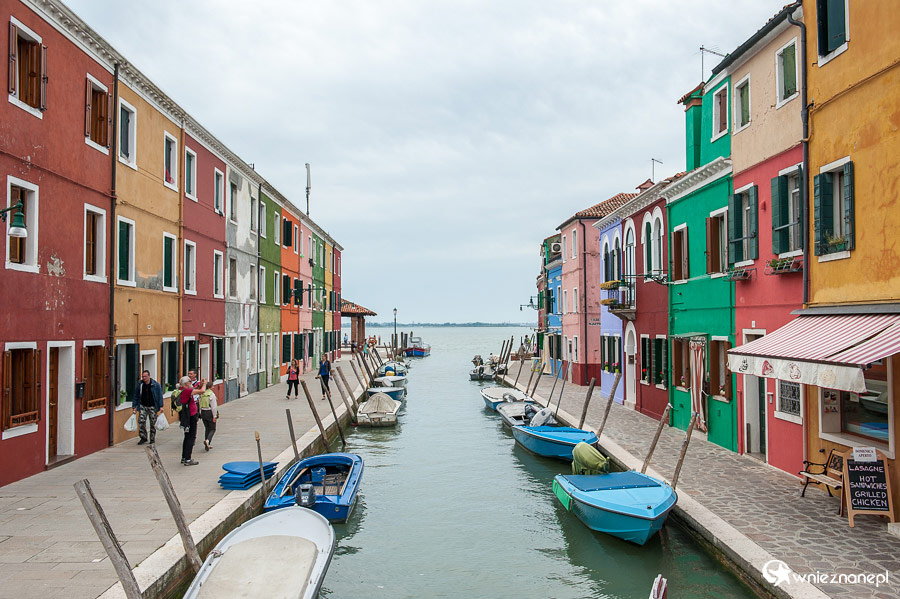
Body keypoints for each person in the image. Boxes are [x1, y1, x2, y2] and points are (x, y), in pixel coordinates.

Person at [132, 370, 164, 445]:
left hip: (152, 406)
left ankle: (152, 438)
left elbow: (160, 396)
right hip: (143, 405)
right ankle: (143, 437)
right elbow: (136, 395)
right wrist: (134, 406)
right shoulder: (140, 385)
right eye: (143, 376)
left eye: (145, 376)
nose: (144, 378)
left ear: (149, 376)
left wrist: (161, 406)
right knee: (141, 421)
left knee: (153, 423)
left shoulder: (156, 385)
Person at [179, 376, 200, 465]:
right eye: (190, 381)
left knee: (187, 436)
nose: (191, 382)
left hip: (187, 416)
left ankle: (184, 457)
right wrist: (205, 384)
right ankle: (188, 458)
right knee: (191, 437)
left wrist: (201, 384)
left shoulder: (184, 390)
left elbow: (196, 389)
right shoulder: (187, 391)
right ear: (186, 383)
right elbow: (202, 391)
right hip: (190, 416)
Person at [197, 379, 218, 451]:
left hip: (203, 412)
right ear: (211, 387)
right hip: (209, 412)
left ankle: (207, 444)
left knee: (207, 428)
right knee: (212, 429)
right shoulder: (211, 394)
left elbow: (199, 403)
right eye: (213, 386)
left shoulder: (202, 394)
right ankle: (208, 440)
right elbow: (214, 407)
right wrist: (214, 416)